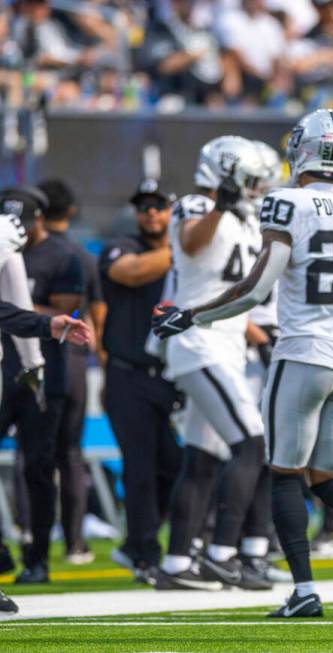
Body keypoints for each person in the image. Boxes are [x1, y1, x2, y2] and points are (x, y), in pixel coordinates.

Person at [152, 109, 333, 618]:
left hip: (301, 353)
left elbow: (255, 289)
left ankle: (303, 591)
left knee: (283, 473)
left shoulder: (285, 203)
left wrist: (190, 315)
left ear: (304, 150)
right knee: (325, 476)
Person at [152, 136, 272, 591]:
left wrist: (258, 336)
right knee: (250, 444)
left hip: (225, 344)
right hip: (199, 344)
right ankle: (223, 553)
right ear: (227, 173)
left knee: (202, 460)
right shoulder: (193, 206)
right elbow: (191, 243)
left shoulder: (244, 219)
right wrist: (219, 207)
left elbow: (230, 296)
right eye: (253, 179)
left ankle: (178, 562)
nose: (258, 188)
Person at [100, 179, 183, 581]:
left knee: (174, 464)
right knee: (140, 467)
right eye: (145, 207)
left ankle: (137, 542)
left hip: (167, 376)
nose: (152, 213)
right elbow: (130, 273)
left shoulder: (184, 255)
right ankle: (145, 555)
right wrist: (186, 248)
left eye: (159, 206)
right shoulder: (123, 247)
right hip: (126, 374)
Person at [0, 186, 84, 584]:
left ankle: (38, 557)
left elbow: (14, 308)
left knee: (39, 467)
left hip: (36, 374)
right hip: (18, 367)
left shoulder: (61, 256)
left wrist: (43, 331)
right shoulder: (10, 247)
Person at [37, 178, 107, 565]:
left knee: (39, 455)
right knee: (70, 453)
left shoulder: (35, 252)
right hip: (75, 362)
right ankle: (75, 541)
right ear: (72, 210)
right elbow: (96, 312)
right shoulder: (81, 255)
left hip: (35, 359)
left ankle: (36, 537)